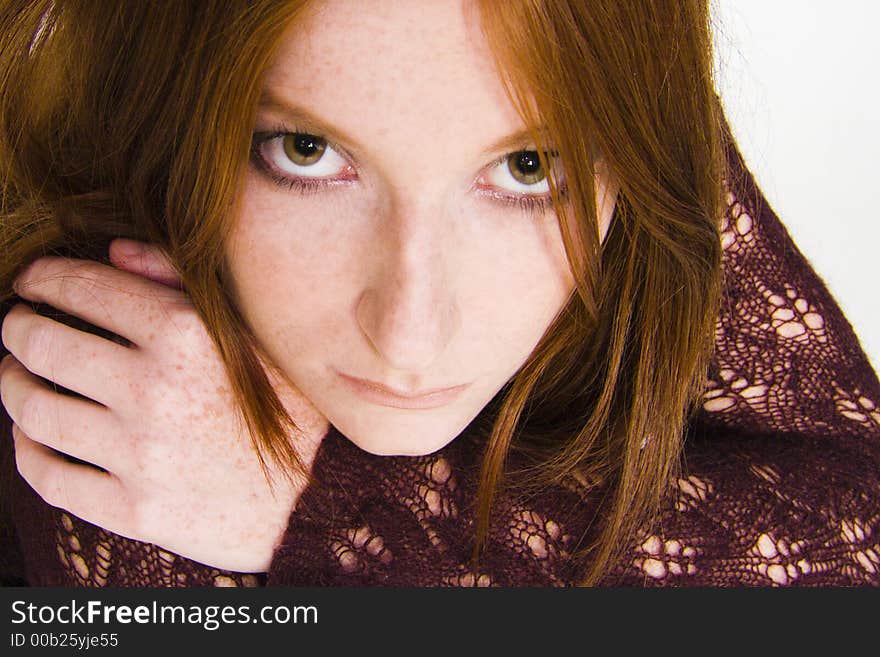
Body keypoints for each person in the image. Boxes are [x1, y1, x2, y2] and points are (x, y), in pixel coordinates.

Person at [0, 0, 877, 587]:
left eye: (528, 167)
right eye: (305, 152)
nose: (410, 336)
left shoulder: (644, 186)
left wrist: (350, 515)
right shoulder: (100, 422)